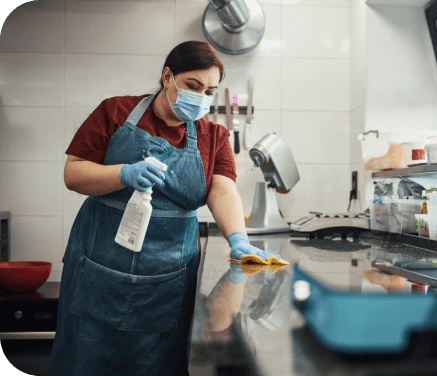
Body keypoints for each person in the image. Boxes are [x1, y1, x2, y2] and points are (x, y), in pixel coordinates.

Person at [49, 41, 279, 376]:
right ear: (167, 76)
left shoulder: (212, 135)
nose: (200, 98)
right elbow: (74, 173)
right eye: (192, 86)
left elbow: (223, 189)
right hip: (99, 273)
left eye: (210, 91)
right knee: (85, 360)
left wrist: (238, 239)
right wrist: (122, 173)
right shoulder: (114, 112)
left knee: (154, 364)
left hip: (166, 281)